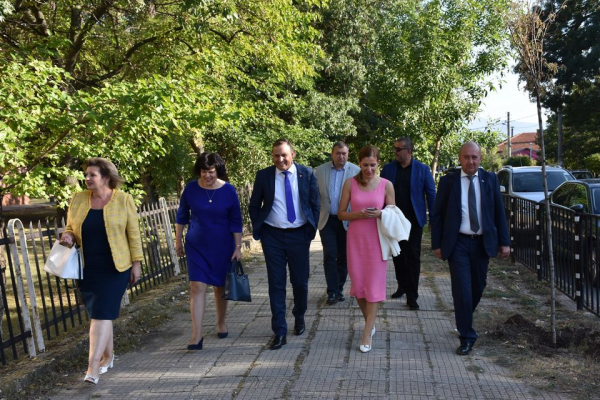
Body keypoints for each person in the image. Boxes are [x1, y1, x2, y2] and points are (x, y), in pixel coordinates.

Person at [60, 157, 143, 385]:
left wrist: (136, 263)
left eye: (92, 175)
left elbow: (133, 234)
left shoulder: (123, 200)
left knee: (101, 314)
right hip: (88, 268)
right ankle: (108, 357)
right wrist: (68, 236)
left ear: (106, 178)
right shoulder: (78, 199)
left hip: (117, 268)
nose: (87, 178)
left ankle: (93, 367)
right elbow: (70, 228)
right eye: (86, 174)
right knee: (101, 314)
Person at [431, 142, 510, 356]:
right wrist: (437, 244)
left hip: (482, 243)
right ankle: (467, 336)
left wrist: (505, 242)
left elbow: (499, 212)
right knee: (462, 290)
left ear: (480, 158)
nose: (470, 161)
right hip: (458, 243)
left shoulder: (490, 179)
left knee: (478, 287)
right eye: (466, 157)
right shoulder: (448, 182)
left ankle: (463, 316)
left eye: (474, 157)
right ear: (460, 159)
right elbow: (437, 214)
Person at [249, 139, 320, 350]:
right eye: (276, 156)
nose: (280, 159)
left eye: (284, 155)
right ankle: (279, 330)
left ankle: (299, 315)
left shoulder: (306, 174)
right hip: (272, 236)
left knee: (300, 282)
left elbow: (315, 203)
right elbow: (254, 205)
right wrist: (260, 229)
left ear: (293, 155)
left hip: (299, 235)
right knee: (276, 283)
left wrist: (310, 230)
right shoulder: (264, 175)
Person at [175, 153, 243, 351]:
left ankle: (221, 322)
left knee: (220, 287)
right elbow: (181, 216)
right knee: (196, 286)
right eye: (204, 171)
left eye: (211, 172)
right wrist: (178, 240)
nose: (207, 176)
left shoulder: (229, 190)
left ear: (217, 171)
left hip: (223, 246)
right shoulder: (191, 189)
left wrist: (238, 247)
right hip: (196, 245)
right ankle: (196, 335)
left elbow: (236, 221)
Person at [338, 146, 395, 353]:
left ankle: (367, 331)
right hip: (356, 239)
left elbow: (393, 213)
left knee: (374, 285)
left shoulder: (387, 185)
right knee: (359, 285)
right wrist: (358, 214)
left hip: (377, 240)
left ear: (378, 163)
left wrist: (380, 213)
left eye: (372, 165)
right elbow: (341, 213)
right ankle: (370, 323)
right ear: (359, 163)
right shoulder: (350, 183)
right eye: (365, 165)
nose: (369, 169)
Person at [381, 137, 436, 310]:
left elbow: (431, 194)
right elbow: (380, 192)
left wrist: (434, 219)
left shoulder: (422, 169)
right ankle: (402, 286)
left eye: (399, 149)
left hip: (413, 222)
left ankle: (412, 296)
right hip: (394, 220)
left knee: (412, 257)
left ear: (409, 151)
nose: (395, 152)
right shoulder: (388, 169)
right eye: (395, 148)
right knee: (397, 255)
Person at [314, 141, 360, 305]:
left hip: (347, 220)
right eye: (338, 153)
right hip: (327, 219)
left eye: (344, 153)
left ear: (348, 155)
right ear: (332, 154)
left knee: (344, 257)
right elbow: (314, 195)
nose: (341, 156)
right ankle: (332, 291)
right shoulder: (320, 171)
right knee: (330, 254)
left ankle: (339, 288)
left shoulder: (356, 171)